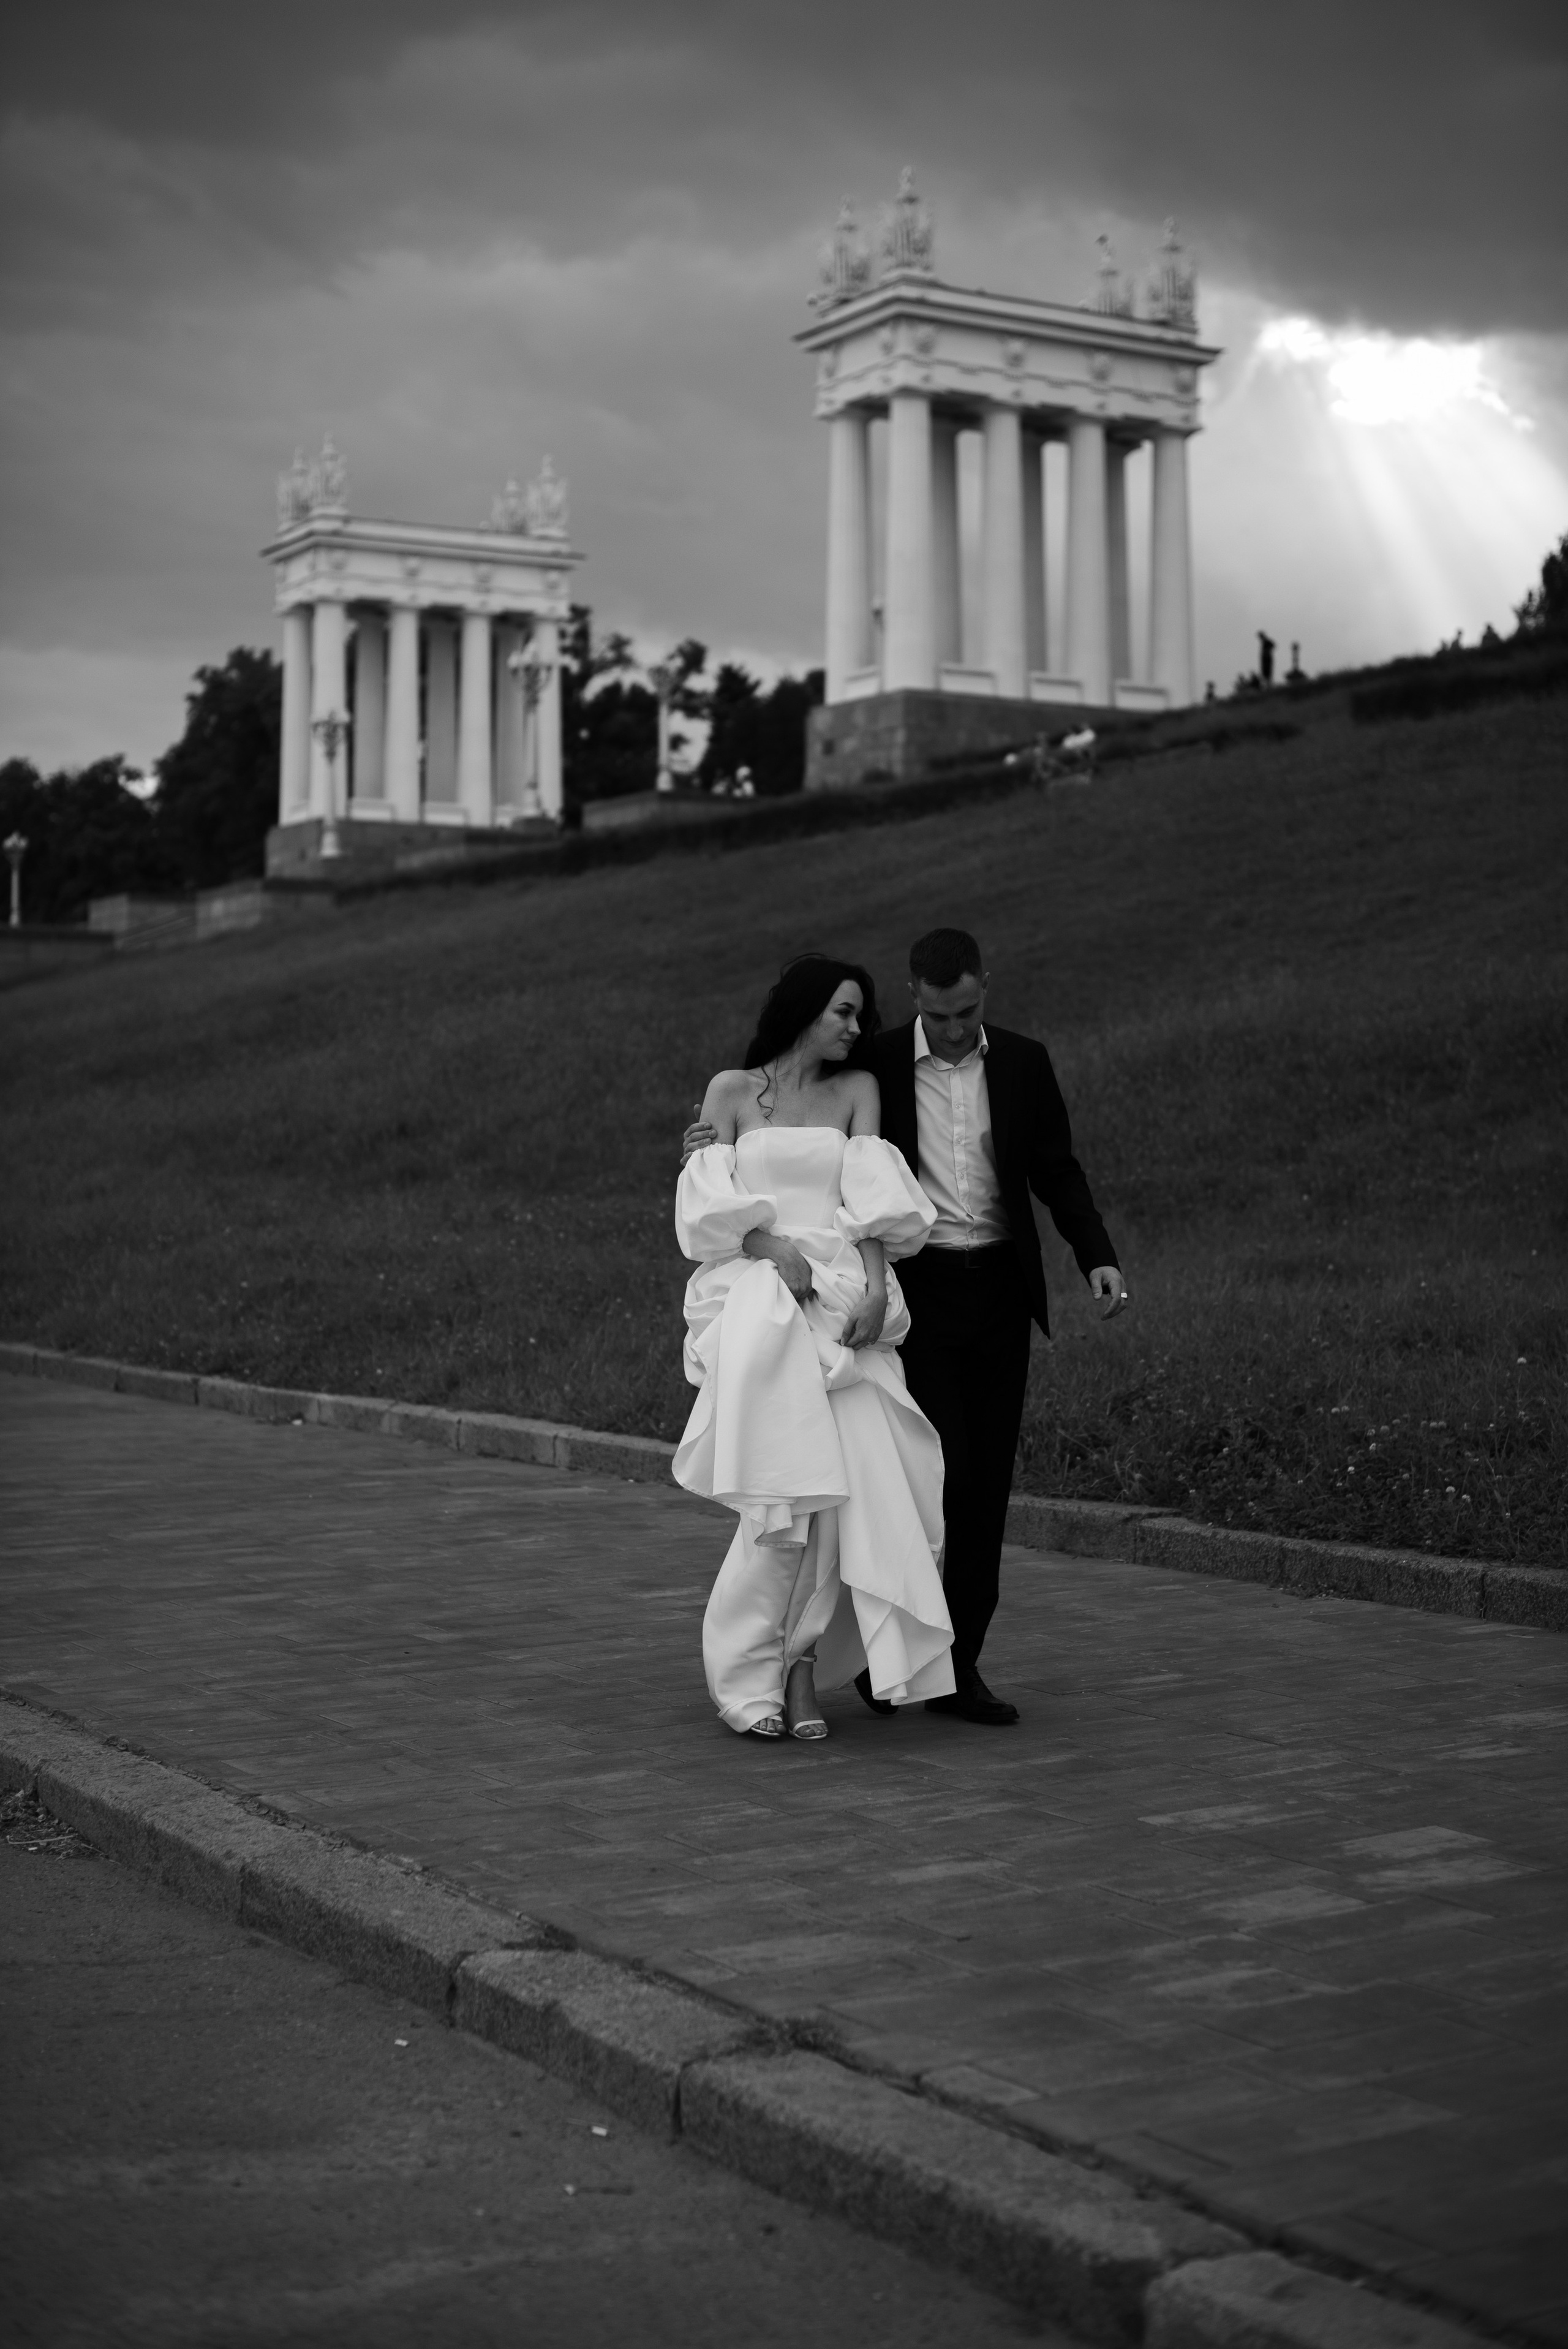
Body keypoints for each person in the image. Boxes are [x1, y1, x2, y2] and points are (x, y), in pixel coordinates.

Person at [685, 928, 1126, 1728]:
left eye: (968, 1012)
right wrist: (762, 1227)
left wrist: (1092, 1255)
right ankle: (791, 1663)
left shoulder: (960, 1071)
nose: (952, 1029)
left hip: (926, 1297)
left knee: (931, 1486)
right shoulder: (804, 1077)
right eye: (845, 1013)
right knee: (834, 1495)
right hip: (816, 1307)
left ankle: (906, 1667)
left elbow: (1025, 1174)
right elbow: (713, 1183)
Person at [674, 955, 954, 1741]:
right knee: (781, 1506)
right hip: (764, 1306)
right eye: (843, 1012)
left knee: (856, 1497)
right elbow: (708, 1204)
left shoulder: (857, 1091)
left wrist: (872, 1291)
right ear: (804, 1010)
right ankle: (744, 1684)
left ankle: (800, 1674)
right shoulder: (731, 1091)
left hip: (841, 1304)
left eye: (859, 1015)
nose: (855, 1029)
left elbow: (869, 1206)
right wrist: (773, 1249)